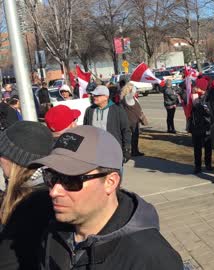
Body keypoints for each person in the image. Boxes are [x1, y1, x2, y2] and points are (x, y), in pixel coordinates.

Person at [29, 126, 183, 269]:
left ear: (110, 182)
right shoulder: (55, 231)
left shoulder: (150, 259)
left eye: (71, 180)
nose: (54, 191)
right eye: (51, 177)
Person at [0, 121, 54, 270]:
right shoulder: (41, 188)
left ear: (14, 159)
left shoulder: (33, 202)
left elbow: (9, 258)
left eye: (2, 153)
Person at [84, 85, 131, 163]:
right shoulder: (89, 110)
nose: (94, 97)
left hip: (113, 150)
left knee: (113, 174)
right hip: (94, 151)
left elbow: (126, 130)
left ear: (106, 97)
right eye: (94, 95)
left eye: (97, 95)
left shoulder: (118, 110)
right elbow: (86, 130)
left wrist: (127, 149)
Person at [190, 78, 212, 174]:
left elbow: (208, 112)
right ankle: (197, 166)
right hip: (196, 126)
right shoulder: (195, 97)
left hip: (206, 126)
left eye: (196, 86)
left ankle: (208, 164)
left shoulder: (208, 97)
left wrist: (197, 104)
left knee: (208, 147)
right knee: (197, 148)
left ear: (200, 88)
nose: (194, 88)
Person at [120, 82, 145, 157]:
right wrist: (133, 84)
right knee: (134, 136)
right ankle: (134, 151)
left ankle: (133, 150)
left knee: (131, 136)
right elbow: (134, 90)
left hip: (131, 118)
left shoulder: (125, 97)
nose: (136, 91)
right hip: (132, 120)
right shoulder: (128, 97)